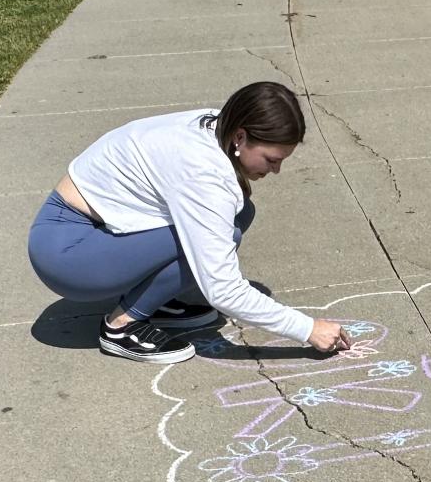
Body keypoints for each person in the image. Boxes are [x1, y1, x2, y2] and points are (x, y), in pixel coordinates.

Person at [27, 82, 349, 365]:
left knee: (238, 214)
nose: (276, 170)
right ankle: (122, 326)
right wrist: (308, 329)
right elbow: (223, 289)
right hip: (68, 254)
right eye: (271, 159)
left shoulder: (216, 125)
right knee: (222, 232)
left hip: (85, 233)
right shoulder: (202, 172)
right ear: (241, 136)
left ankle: (156, 302)